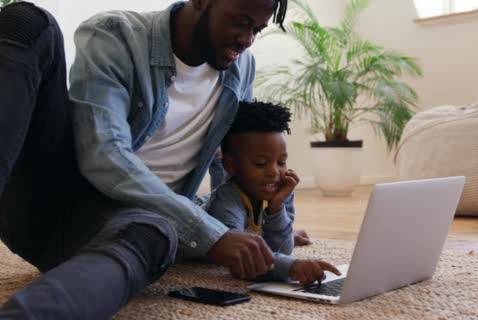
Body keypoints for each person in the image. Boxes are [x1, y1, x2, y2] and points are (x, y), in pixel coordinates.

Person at [0, 0, 293, 318]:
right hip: (50, 200)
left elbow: (231, 161)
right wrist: (209, 232)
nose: (247, 39)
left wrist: (252, 227)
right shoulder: (116, 36)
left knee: (158, 231)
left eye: (257, 29)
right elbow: (104, 154)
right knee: (27, 20)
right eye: (240, 21)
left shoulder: (241, 65)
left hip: (131, 227)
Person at [204, 101, 340, 285]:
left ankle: (277, 232)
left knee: (282, 234)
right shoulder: (226, 200)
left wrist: (276, 209)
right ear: (230, 165)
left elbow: (283, 250)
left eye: (282, 162)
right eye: (260, 163)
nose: (274, 172)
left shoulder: (281, 190)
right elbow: (242, 259)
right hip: (197, 219)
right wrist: (293, 267)